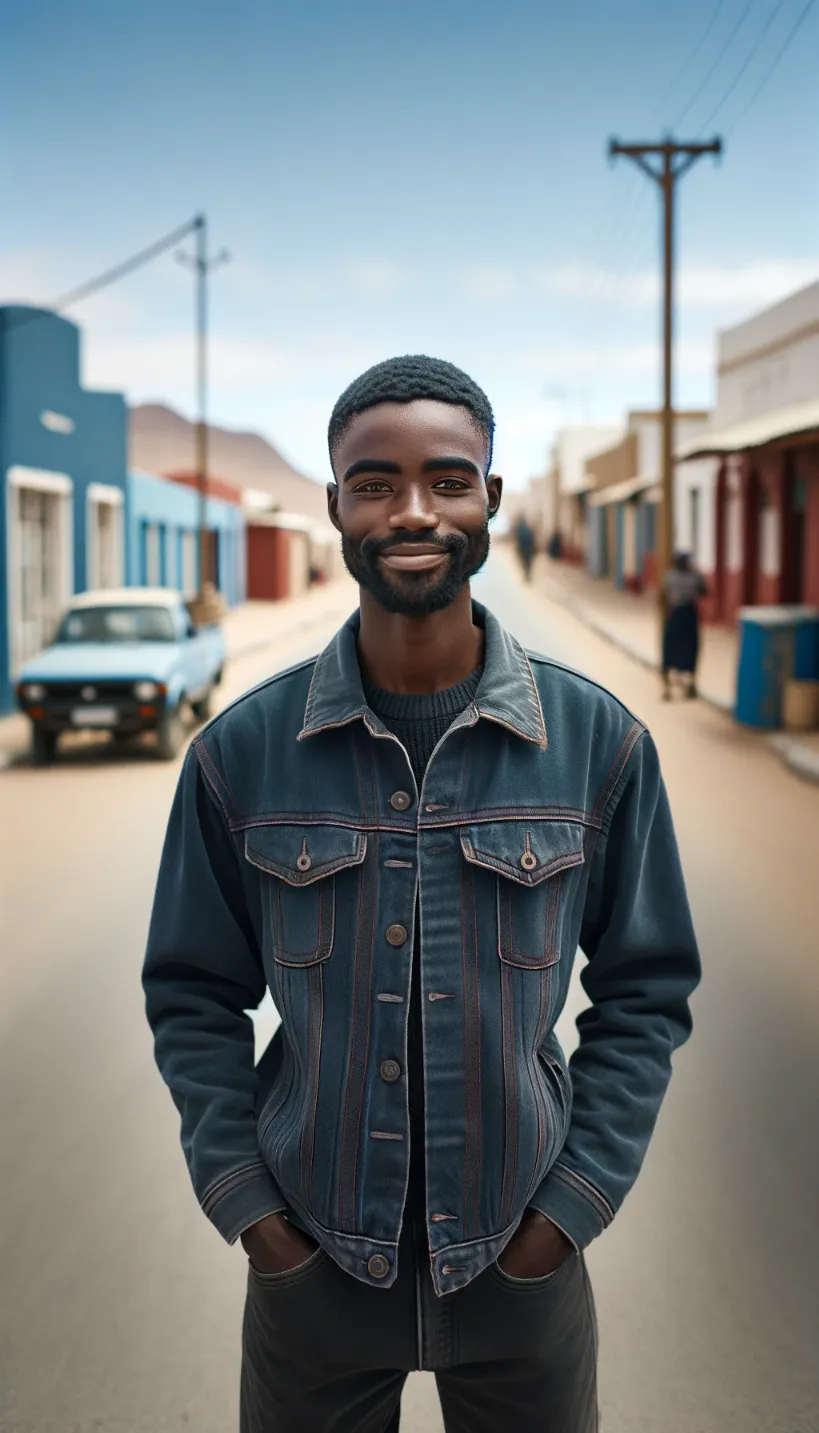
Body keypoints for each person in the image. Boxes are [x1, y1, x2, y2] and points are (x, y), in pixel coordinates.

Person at [143, 355, 701, 1433]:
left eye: (449, 480)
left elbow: (647, 990)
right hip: (311, 1275)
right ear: (335, 504)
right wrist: (257, 1216)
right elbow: (190, 995)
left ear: (491, 497)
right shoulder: (239, 754)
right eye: (375, 481)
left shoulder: (598, 745)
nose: (413, 509)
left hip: (520, 1266)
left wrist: (567, 1214)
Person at [661, 551, 708, 701]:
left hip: (675, 614)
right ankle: (691, 685)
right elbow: (704, 591)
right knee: (690, 648)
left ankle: (667, 689)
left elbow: (664, 595)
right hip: (689, 614)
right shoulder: (694, 576)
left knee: (670, 649)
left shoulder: (670, 576)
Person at [514, 514, 536, 581]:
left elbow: (518, 539)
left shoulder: (520, 528)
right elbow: (532, 538)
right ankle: (528, 575)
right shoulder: (528, 529)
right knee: (528, 563)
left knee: (524, 562)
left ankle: (526, 575)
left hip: (523, 548)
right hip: (529, 549)